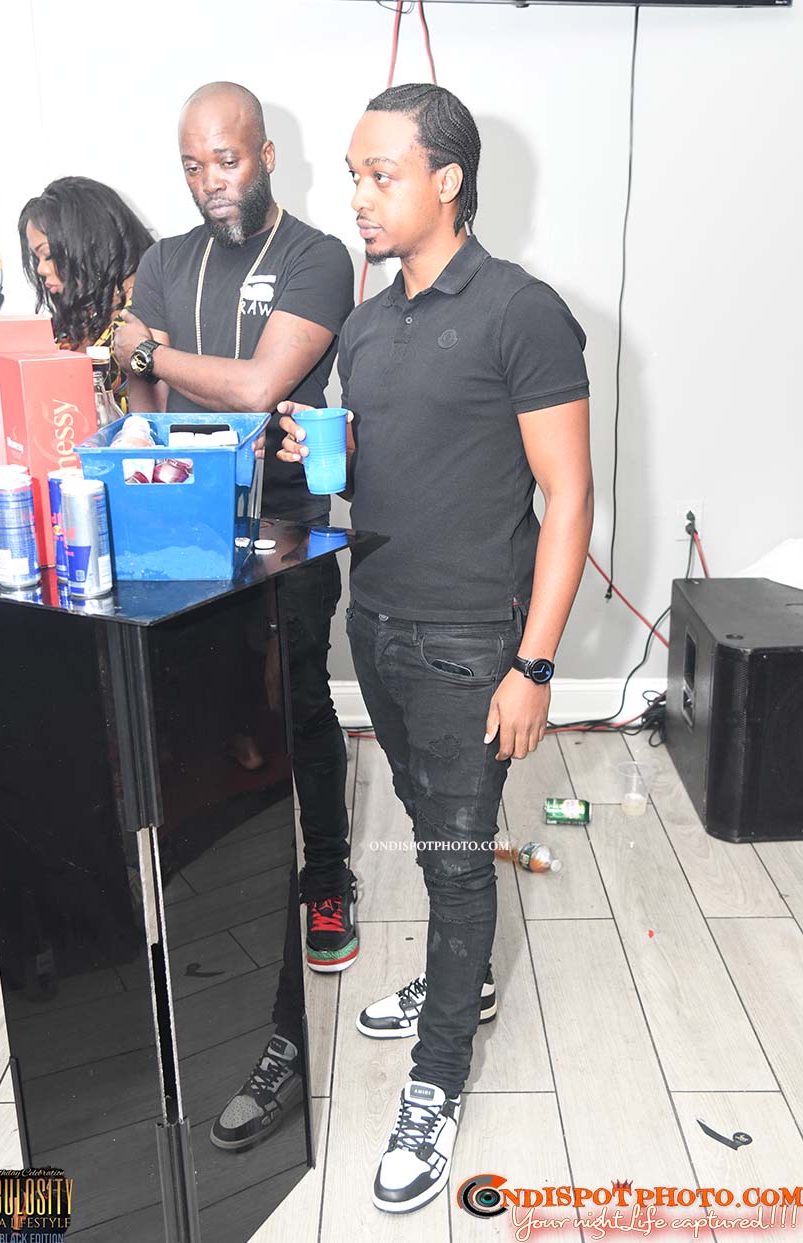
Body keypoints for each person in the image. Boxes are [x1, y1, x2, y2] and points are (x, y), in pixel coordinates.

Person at [279, 83, 594, 1214]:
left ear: (447, 180)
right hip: (375, 622)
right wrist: (320, 456)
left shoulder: (520, 311)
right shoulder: (366, 325)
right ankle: (464, 984)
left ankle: (437, 1076)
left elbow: (569, 497)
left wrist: (536, 665)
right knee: (430, 829)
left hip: (473, 643)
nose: (359, 197)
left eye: (382, 174)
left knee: (458, 860)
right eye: (354, 176)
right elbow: (391, 470)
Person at [112, 82, 356, 1146]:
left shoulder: (317, 258)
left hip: (288, 526)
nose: (211, 181)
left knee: (299, 705)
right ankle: (228, 909)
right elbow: (143, 414)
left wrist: (149, 353)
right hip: (185, 527)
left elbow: (260, 389)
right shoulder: (164, 261)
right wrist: (142, 377)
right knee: (212, 726)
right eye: (192, 165)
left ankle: (327, 876)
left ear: (266, 154)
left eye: (228, 159)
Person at [19, 176, 154, 411]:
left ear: (90, 243)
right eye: (36, 257)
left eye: (48, 254)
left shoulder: (147, 308)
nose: (41, 269)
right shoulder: (76, 315)